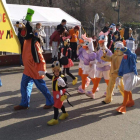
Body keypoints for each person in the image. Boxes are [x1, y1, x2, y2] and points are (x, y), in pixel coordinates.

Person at [14, 8, 54, 110]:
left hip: (36, 69)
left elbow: (41, 57)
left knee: (41, 87)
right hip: (27, 69)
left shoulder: (34, 42)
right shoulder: (25, 40)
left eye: (24, 30)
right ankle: (24, 103)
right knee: (24, 85)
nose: (22, 32)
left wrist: (42, 69)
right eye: (22, 31)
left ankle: (50, 101)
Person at [39, 60, 69, 126]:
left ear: (60, 70)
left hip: (60, 95)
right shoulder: (54, 77)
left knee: (55, 107)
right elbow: (50, 76)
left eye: (57, 71)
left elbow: (65, 84)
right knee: (60, 105)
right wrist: (45, 73)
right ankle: (64, 113)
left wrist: (63, 83)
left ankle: (55, 119)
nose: (56, 72)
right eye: (55, 71)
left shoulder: (62, 77)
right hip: (55, 94)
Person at [86, 33, 112, 99]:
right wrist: (93, 62)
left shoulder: (108, 51)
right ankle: (92, 92)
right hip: (99, 68)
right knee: (97, 80)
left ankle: (109, 92)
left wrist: (103, 64)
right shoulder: (98, 51)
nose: (100, 44)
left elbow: (110, 60)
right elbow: (96, 59)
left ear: (105, 43)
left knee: (107, 80)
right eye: (100, 43)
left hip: (106, 69)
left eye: (102, 43)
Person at [116, 47, 140, 113]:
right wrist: (119, 76)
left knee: (126, 90)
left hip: (131, 75)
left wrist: (127, 50)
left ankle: (123, 106)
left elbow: (133, 57)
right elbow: (121, 67)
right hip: (125, 75)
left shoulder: (131, 56)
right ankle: (131, 101)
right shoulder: (124, 58)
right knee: (128, 89)